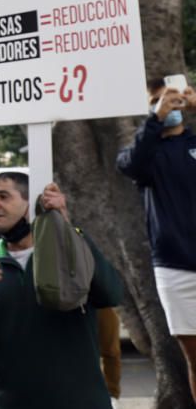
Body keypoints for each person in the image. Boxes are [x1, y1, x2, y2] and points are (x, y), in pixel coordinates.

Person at [0, 174, 123, 408]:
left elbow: (111, 294)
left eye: (3, 196)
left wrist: (67, 229)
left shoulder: (69, 252)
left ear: (31, 204)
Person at [116, 77, 196, 402]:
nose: (168, 104)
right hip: (174, 266)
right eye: (159, 100)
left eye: (174, 98)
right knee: (193, 356)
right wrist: (155, 120)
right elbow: (129, 164)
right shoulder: (145, 155)